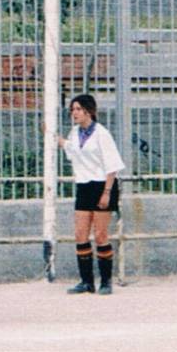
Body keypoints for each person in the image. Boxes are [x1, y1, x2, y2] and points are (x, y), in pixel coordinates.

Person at [57, 94, 126, 295]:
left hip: (102, 185)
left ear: (89, 111)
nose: (74, 113)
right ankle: (86, 281)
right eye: (72, 110)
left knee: (101, 234)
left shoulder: (101, 134)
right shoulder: (75, 132)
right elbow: (71, 150)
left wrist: (106, 192)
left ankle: (106, 281)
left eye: (78, 109)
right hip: (84, 185)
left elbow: (112, 166)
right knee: (80, 233)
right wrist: (54, 137)